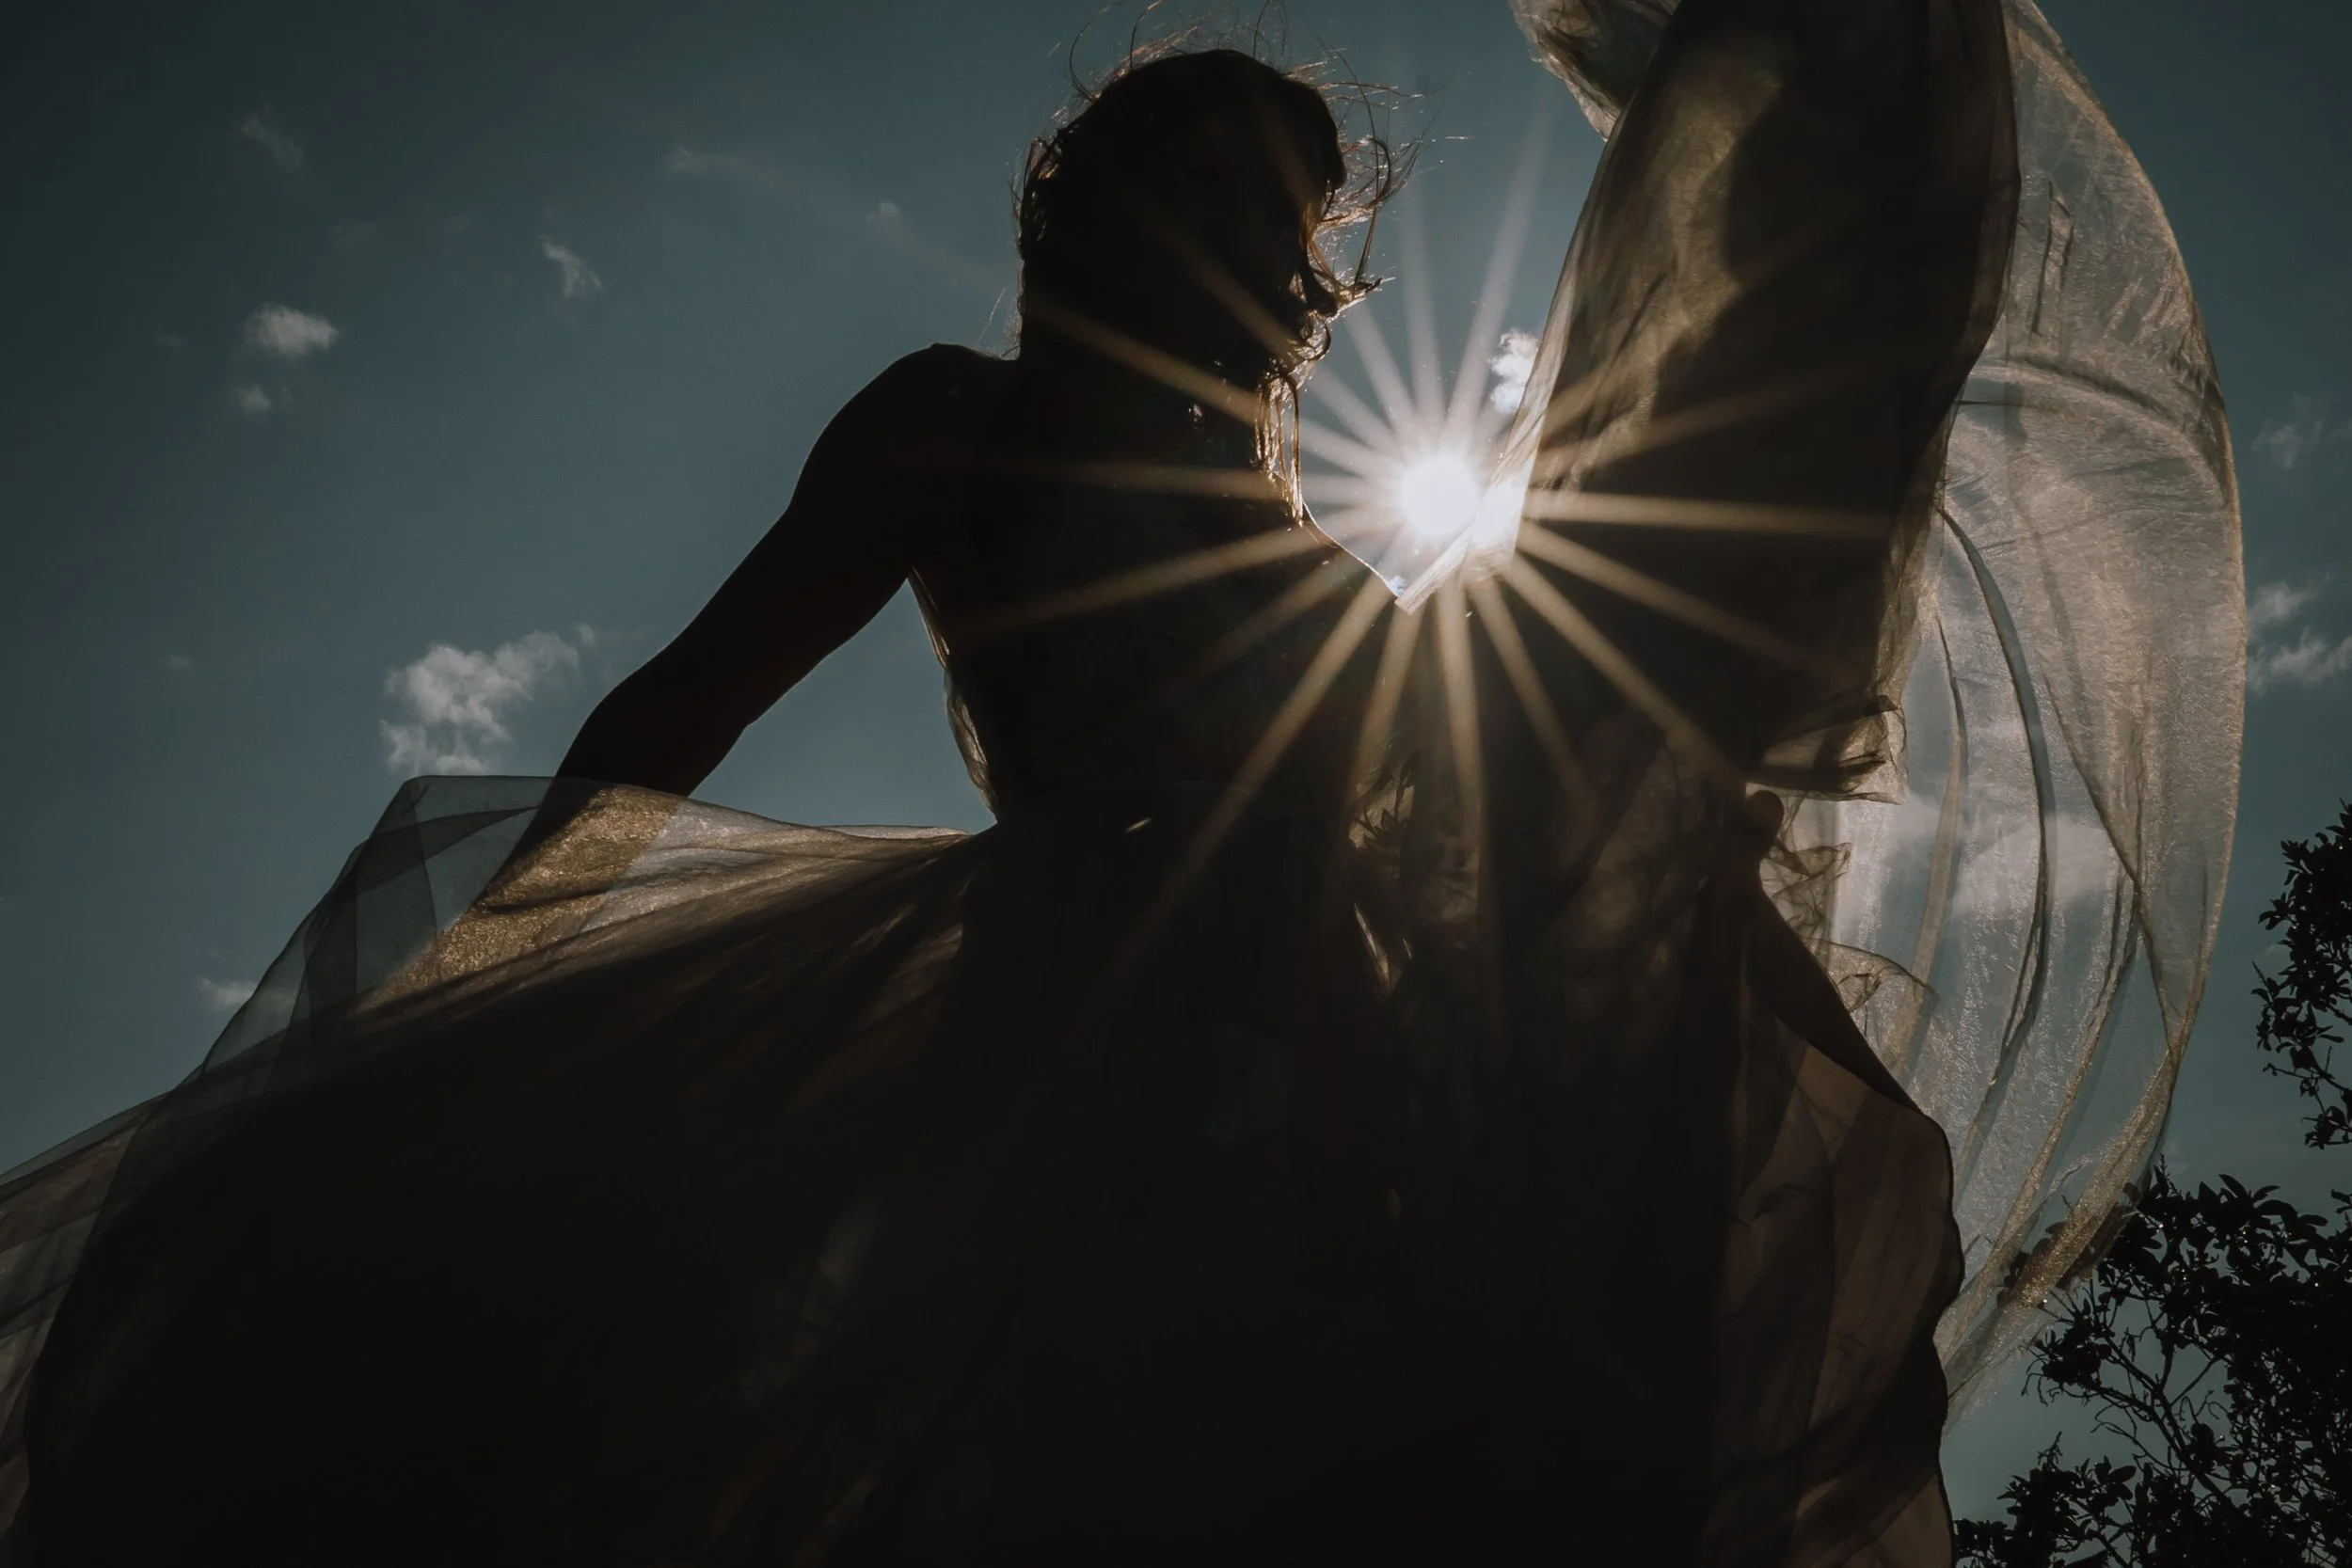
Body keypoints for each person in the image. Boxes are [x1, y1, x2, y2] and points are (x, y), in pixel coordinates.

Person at [1, 0, 2238, 1560]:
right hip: (1067, 1026)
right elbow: (679, 708)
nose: (1269, 248)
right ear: (1102, 206)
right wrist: (475, 991)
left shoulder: (1334, 556)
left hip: (1325, 1052)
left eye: (1287, 209)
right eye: (1216, 186)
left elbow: (1455, 813)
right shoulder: (955, 421)